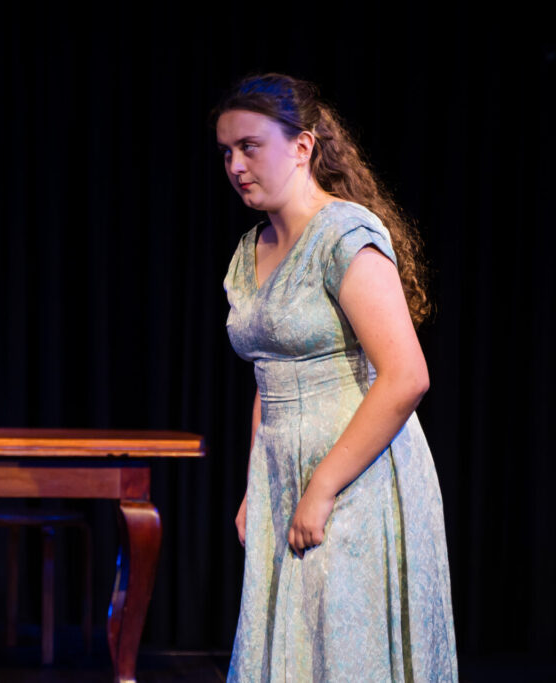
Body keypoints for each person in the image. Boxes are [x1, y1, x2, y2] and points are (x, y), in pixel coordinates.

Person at [214, 74, 458, 681]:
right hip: (282, 474)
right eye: (227, 152)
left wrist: (322, 487)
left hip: (356, 475)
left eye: (250, 146)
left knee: (346, 652)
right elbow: (270, 375)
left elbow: (406, 376)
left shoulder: (344, 235)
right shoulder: (251, 249)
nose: (236, 165)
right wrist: (255, 486)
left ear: (302, 146)